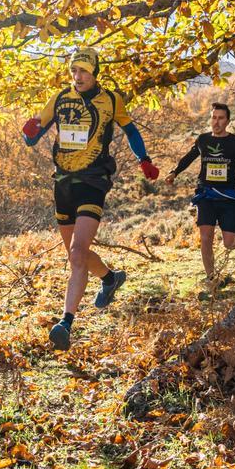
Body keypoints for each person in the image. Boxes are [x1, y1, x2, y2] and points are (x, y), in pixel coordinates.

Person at [21, 47, 159, 350]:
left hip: (94, 180)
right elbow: (33, 136)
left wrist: (143, 159)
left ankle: (65, 323)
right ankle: (110, 278)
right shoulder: (59, 99)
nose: (77, 76)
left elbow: (131, 131)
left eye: (83, 70)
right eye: (74, 71)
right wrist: (28, 132)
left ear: (94, 72)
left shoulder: (110, 100)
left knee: (79, 250)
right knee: (75, 255)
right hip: (63, 182)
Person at [165, 102, 235, 280]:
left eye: (220, 118)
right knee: (206, 237)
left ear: (227, 121)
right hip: (206, 194)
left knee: (230, 244)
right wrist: (174, 172)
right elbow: (189, 157)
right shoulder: (203, 139)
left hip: (228, 196)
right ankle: (211, 278)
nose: (216, 122)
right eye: (214, 118)